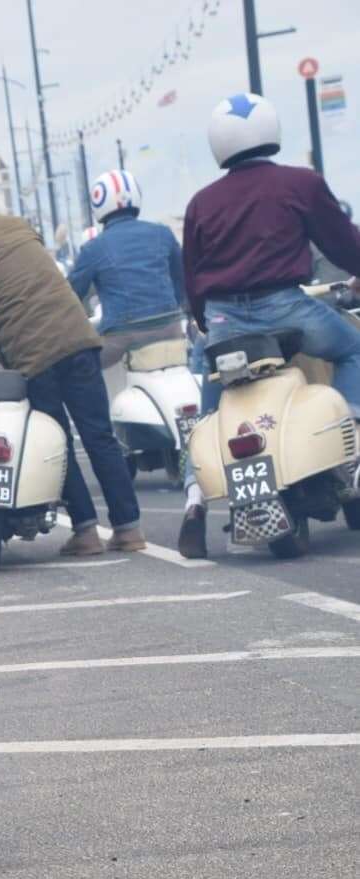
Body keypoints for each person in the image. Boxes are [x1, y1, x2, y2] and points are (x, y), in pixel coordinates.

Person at [0, 164, 144, 555]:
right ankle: (128, 529)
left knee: (57, 441)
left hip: (34, 355)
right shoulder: (18, 227)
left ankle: (86, 532)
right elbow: (15, 286)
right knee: (99, 436)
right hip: (78, 338)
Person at [177, 93, 360, 558]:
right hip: (286, 309)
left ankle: (194, 496)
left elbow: (193, 278)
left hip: (222, 319)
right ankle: (351, 439)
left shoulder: (201, 203)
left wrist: (207, 322)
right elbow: (343, 245)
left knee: (212, 401)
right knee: (352, 349)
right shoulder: (300, 184)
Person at [68, 170, 188, 369]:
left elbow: (70, 296)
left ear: (98, 204)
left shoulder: (93, 248)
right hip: (171, 328)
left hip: (122, 336)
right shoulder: (162, 233)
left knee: (82, 372)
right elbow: (181, 281)